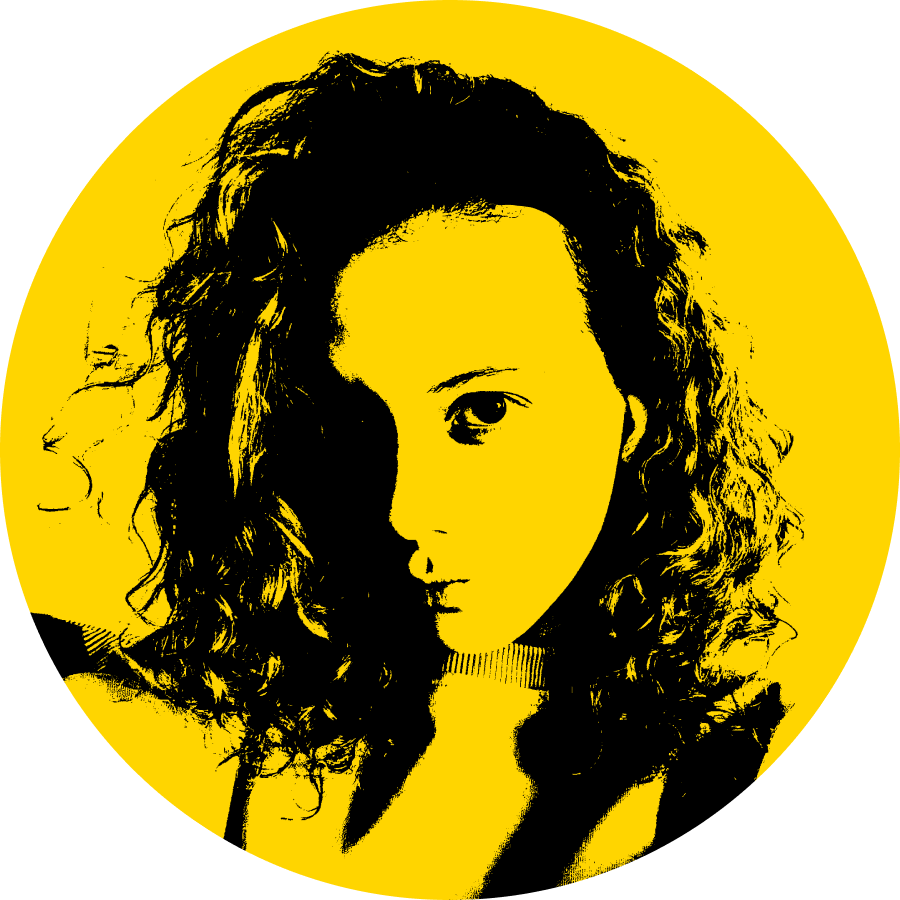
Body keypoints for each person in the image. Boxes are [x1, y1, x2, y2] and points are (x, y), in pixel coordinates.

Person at [42, 53, 801, 899]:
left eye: (481, 412)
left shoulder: (740, 770)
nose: (407, 507)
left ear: (637, 411)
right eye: (356, 426)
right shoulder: (159, 714)